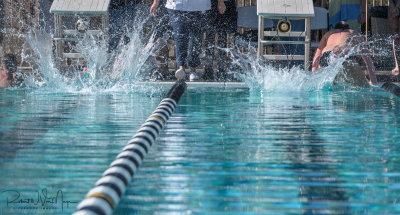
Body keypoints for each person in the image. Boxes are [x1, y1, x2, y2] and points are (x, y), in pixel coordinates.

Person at [150, 0, 226, 81]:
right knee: (179, 36)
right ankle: (181, 68)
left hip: (200, 6)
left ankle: (193, 70)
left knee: (196, 38)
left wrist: (220, 2)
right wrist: (156, 2)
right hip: (176, 5)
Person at [312, 21, 377, 87]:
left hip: (326, 57)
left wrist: (313, 76)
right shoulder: (352, 32)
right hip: (343, 57)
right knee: (364, 87)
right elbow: (367, 58)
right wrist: (373, 80)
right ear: (347, 28)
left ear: (335, 28)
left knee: (331, 88)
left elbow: (317, 56)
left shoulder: (328, 34)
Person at [203, 0, 237, 81]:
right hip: (217, 4)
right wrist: (220, 2)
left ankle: (219, 67)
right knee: (212, 35)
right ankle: (210, 67)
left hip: (225, 3)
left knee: (221, 36)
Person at [388, 0, 400, 75]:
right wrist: (392, 5)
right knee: (395, 36)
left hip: (395, 5)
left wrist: (396, 6)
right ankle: (397, 65)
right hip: (393, 4)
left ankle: (397, 65)